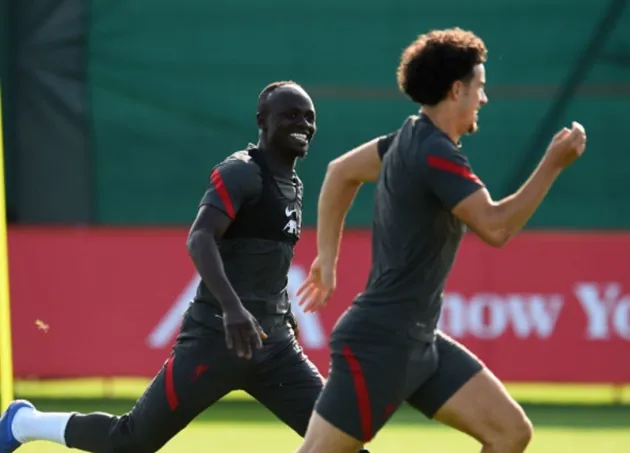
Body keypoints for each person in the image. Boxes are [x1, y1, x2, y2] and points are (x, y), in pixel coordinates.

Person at [0, 81, 372, 453]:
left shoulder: (293, 184)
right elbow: (200, 238)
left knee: (341, 441)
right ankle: (24, 422)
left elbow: (264, 261)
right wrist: (232, 309)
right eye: (290, 115)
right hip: (215, 341)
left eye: (309, 117)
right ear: (262, 120)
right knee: (131, 442)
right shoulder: (240, 172)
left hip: (274, 348)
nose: (303, 124)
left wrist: (280, 312)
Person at [294, 28, 587, 453]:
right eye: (480, 88)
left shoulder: (405, 140)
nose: (483, 99)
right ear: (457, 90)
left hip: (418, 340)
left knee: (510, 432)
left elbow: (340, 172)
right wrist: (552, 163)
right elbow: (496, 227)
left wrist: (326, 259)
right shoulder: (434, 153)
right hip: (382, 343)